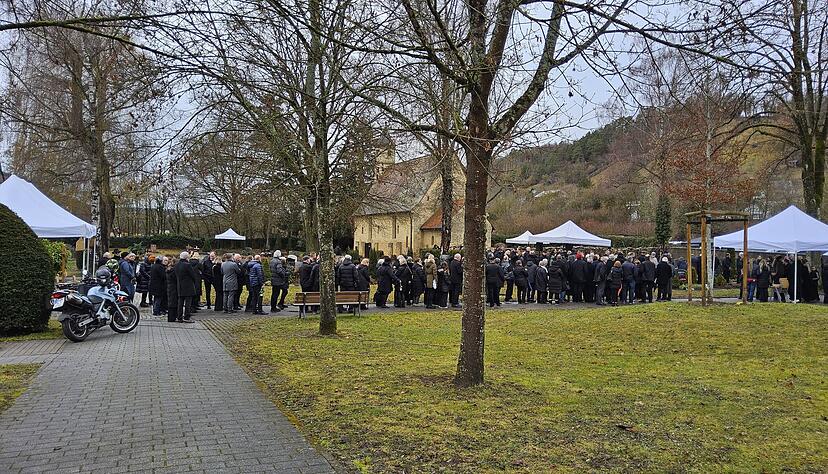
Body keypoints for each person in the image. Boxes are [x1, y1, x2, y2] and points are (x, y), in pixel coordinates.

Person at [174, 251, 198, 322]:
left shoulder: (177, 265)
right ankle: (187, 317)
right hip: (188, 286)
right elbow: (193, 275)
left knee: (180, 303)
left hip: (180, 286)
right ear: (187, 257)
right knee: (188, 303)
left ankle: (179, 317)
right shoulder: (187, 265)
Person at [165, 257, 179, 323]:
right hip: (173, 288)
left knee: (171, 302)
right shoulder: (173, 271)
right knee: (173, 303)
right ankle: (172, 318)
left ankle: (171, 317)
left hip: (169, 287)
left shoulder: (169, 269)